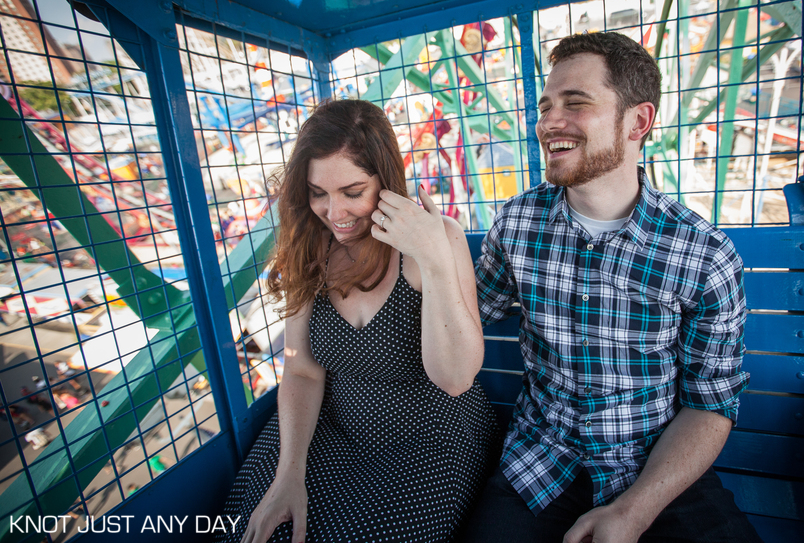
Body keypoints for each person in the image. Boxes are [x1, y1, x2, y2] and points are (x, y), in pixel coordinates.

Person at [462, 32, 762, 543]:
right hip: (538, 462)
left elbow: (709, 404)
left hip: (654, 469)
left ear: (637, 122)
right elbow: (465, 315)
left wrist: (634, 513)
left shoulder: (704, 256)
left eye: (575, 104)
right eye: (546, 107)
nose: (549, 123)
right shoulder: (516, 225)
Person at [216, 99, 499, 543]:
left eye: (352, 192)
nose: (335, 212)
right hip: (333, 423)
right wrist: (290, 472)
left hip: (428, 434)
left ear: (385, 180)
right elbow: (303, 369)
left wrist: (435, 259)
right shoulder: (310, 247)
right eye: (317, 193)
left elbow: (456, 377)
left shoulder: (438, 236)